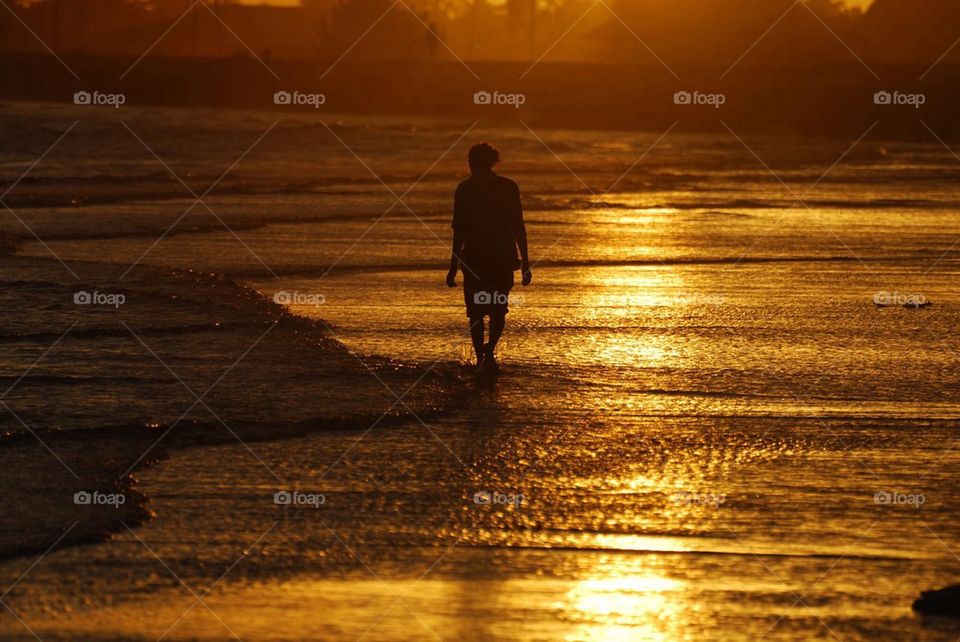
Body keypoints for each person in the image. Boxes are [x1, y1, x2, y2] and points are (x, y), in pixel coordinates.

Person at [446, 142, 532, 372]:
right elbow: (518, 227)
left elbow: (459, 232)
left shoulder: (465, 189)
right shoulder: (508, 187)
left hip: (475, 259)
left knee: (476, 311)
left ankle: (481, 357)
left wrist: (453, 266)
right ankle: (489, 353)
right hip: (501, 258)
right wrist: (525, 262)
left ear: (473, 163)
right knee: (497, 308)